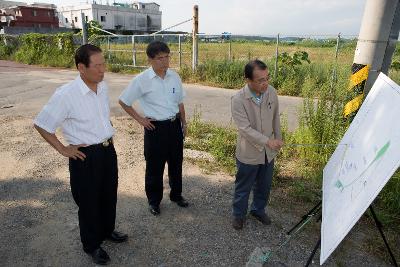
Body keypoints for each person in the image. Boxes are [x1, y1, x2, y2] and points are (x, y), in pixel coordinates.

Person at [34, 44, 127, 265]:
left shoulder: (101, 87)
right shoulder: (66, 94)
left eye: (104, 64)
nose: (103, 70)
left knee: (108, 195)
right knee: (88, 202)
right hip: (85, 156)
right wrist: (62, 148)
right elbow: (42, 124)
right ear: (81, 68)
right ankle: (92, 245)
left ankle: (107, 231)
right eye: (97, 66)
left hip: (107, 150)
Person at [119, 41, 189, 216]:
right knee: (154, 167)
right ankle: (154, 201)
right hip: (155, 129)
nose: (164, 61)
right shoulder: (142, 80)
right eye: (160, 58)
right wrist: (141, 120)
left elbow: (180, 102)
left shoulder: (174, 77)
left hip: (174, 126)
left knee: (176, 164)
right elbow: (124, 101)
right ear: (150, 59)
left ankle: (176, 195)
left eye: (167, 57)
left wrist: (184, 122)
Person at [231, 59, 284, 230]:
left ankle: (258, 210)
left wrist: (278, 138)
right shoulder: (238, 99)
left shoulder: (272, 93)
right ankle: (239, 215)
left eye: (267, 78)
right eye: (261, 80)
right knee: (243, 186)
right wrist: (268, 141)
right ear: (248, 80)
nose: (266, 83)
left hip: (269, 152)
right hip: (249, 152)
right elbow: (244, 129)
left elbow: (276, 117)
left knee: (264, 185)